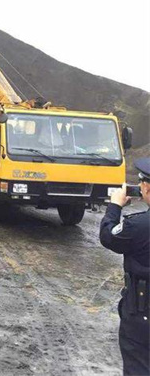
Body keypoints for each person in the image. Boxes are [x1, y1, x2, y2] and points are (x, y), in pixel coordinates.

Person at [99, 157, 150, 376]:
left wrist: (114, 207)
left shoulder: (138, 226)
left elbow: (108, 236)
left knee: (138, 365)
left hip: (142, 311)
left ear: (146, 187)